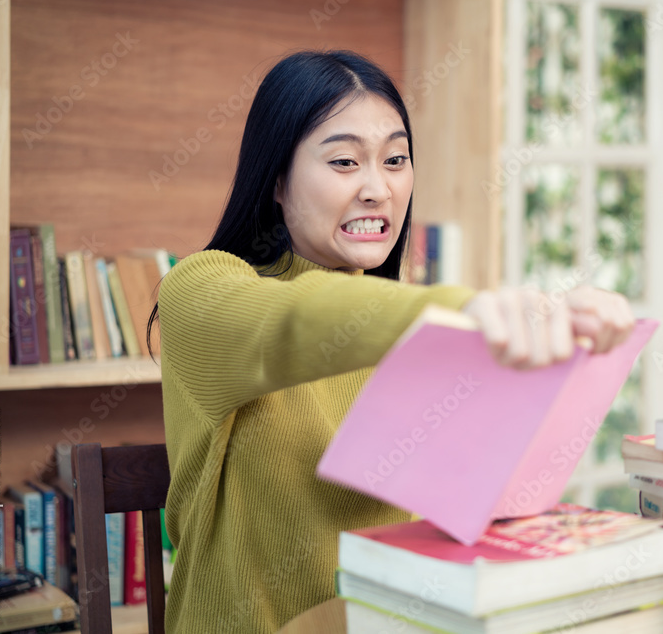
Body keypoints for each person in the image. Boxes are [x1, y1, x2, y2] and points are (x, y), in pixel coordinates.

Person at [151, 49, 635, 632]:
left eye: (396, 159)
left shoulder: (412, 319)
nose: (379, 189)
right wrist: (470, 311)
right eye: (345, 162)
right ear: (276, 179)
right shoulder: (200, 288)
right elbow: (293, 319)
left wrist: (568, 333)